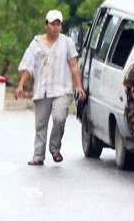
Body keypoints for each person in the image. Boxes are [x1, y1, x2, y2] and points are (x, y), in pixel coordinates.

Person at [14, 9, 86, 166]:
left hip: (62, 88)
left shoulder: (67, 43)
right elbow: (28, 66)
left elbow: (74, 65)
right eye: (53, 24)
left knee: (59, 117)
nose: (55, 27)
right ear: (46, 25)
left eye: (58, 24)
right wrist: (21, 85)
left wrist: (78, 86)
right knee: (41, 124)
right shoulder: (36, 44)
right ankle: (38, 156)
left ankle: (55, 148)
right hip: (42, 89)